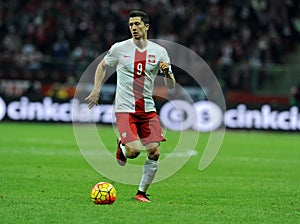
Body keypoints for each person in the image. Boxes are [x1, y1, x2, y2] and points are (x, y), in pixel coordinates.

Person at [85, 10, 176, 202]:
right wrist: (96, 90)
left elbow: (171, 85)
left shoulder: (160, 52)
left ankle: (141, 193)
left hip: (148, 109)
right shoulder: (120, 48)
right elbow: (102, 66)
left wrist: (167, 73)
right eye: (131, 25)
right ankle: (122, 145)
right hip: (125, 110)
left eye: (137, 24)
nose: (134, 28)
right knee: (133, 152)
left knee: (154, 152)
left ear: (146, 26)